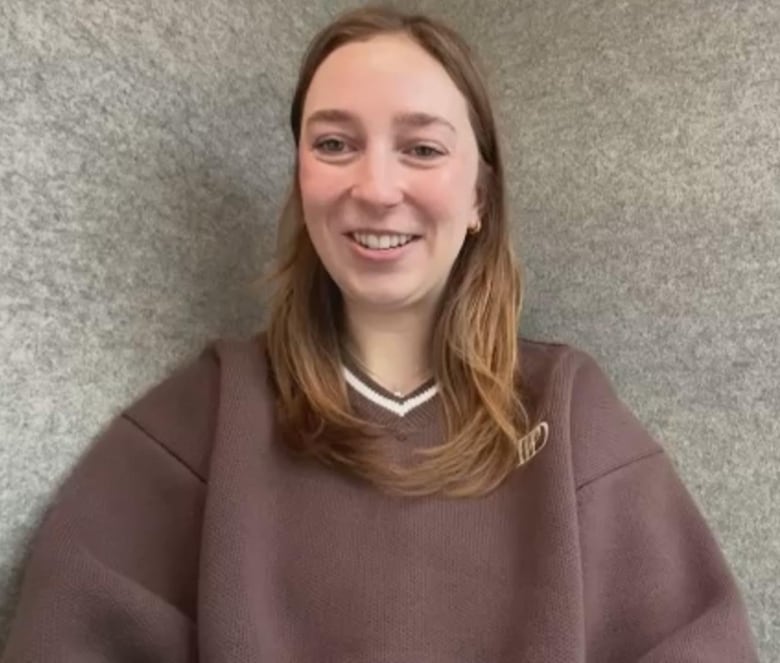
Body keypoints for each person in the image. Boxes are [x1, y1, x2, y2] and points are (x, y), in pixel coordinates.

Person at [1, 5, 759, 662]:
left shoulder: (569, 416)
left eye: (422, 148)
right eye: (334, 144)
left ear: (480, 200)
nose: (374, 186)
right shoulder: (204, 417)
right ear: (301, 177)